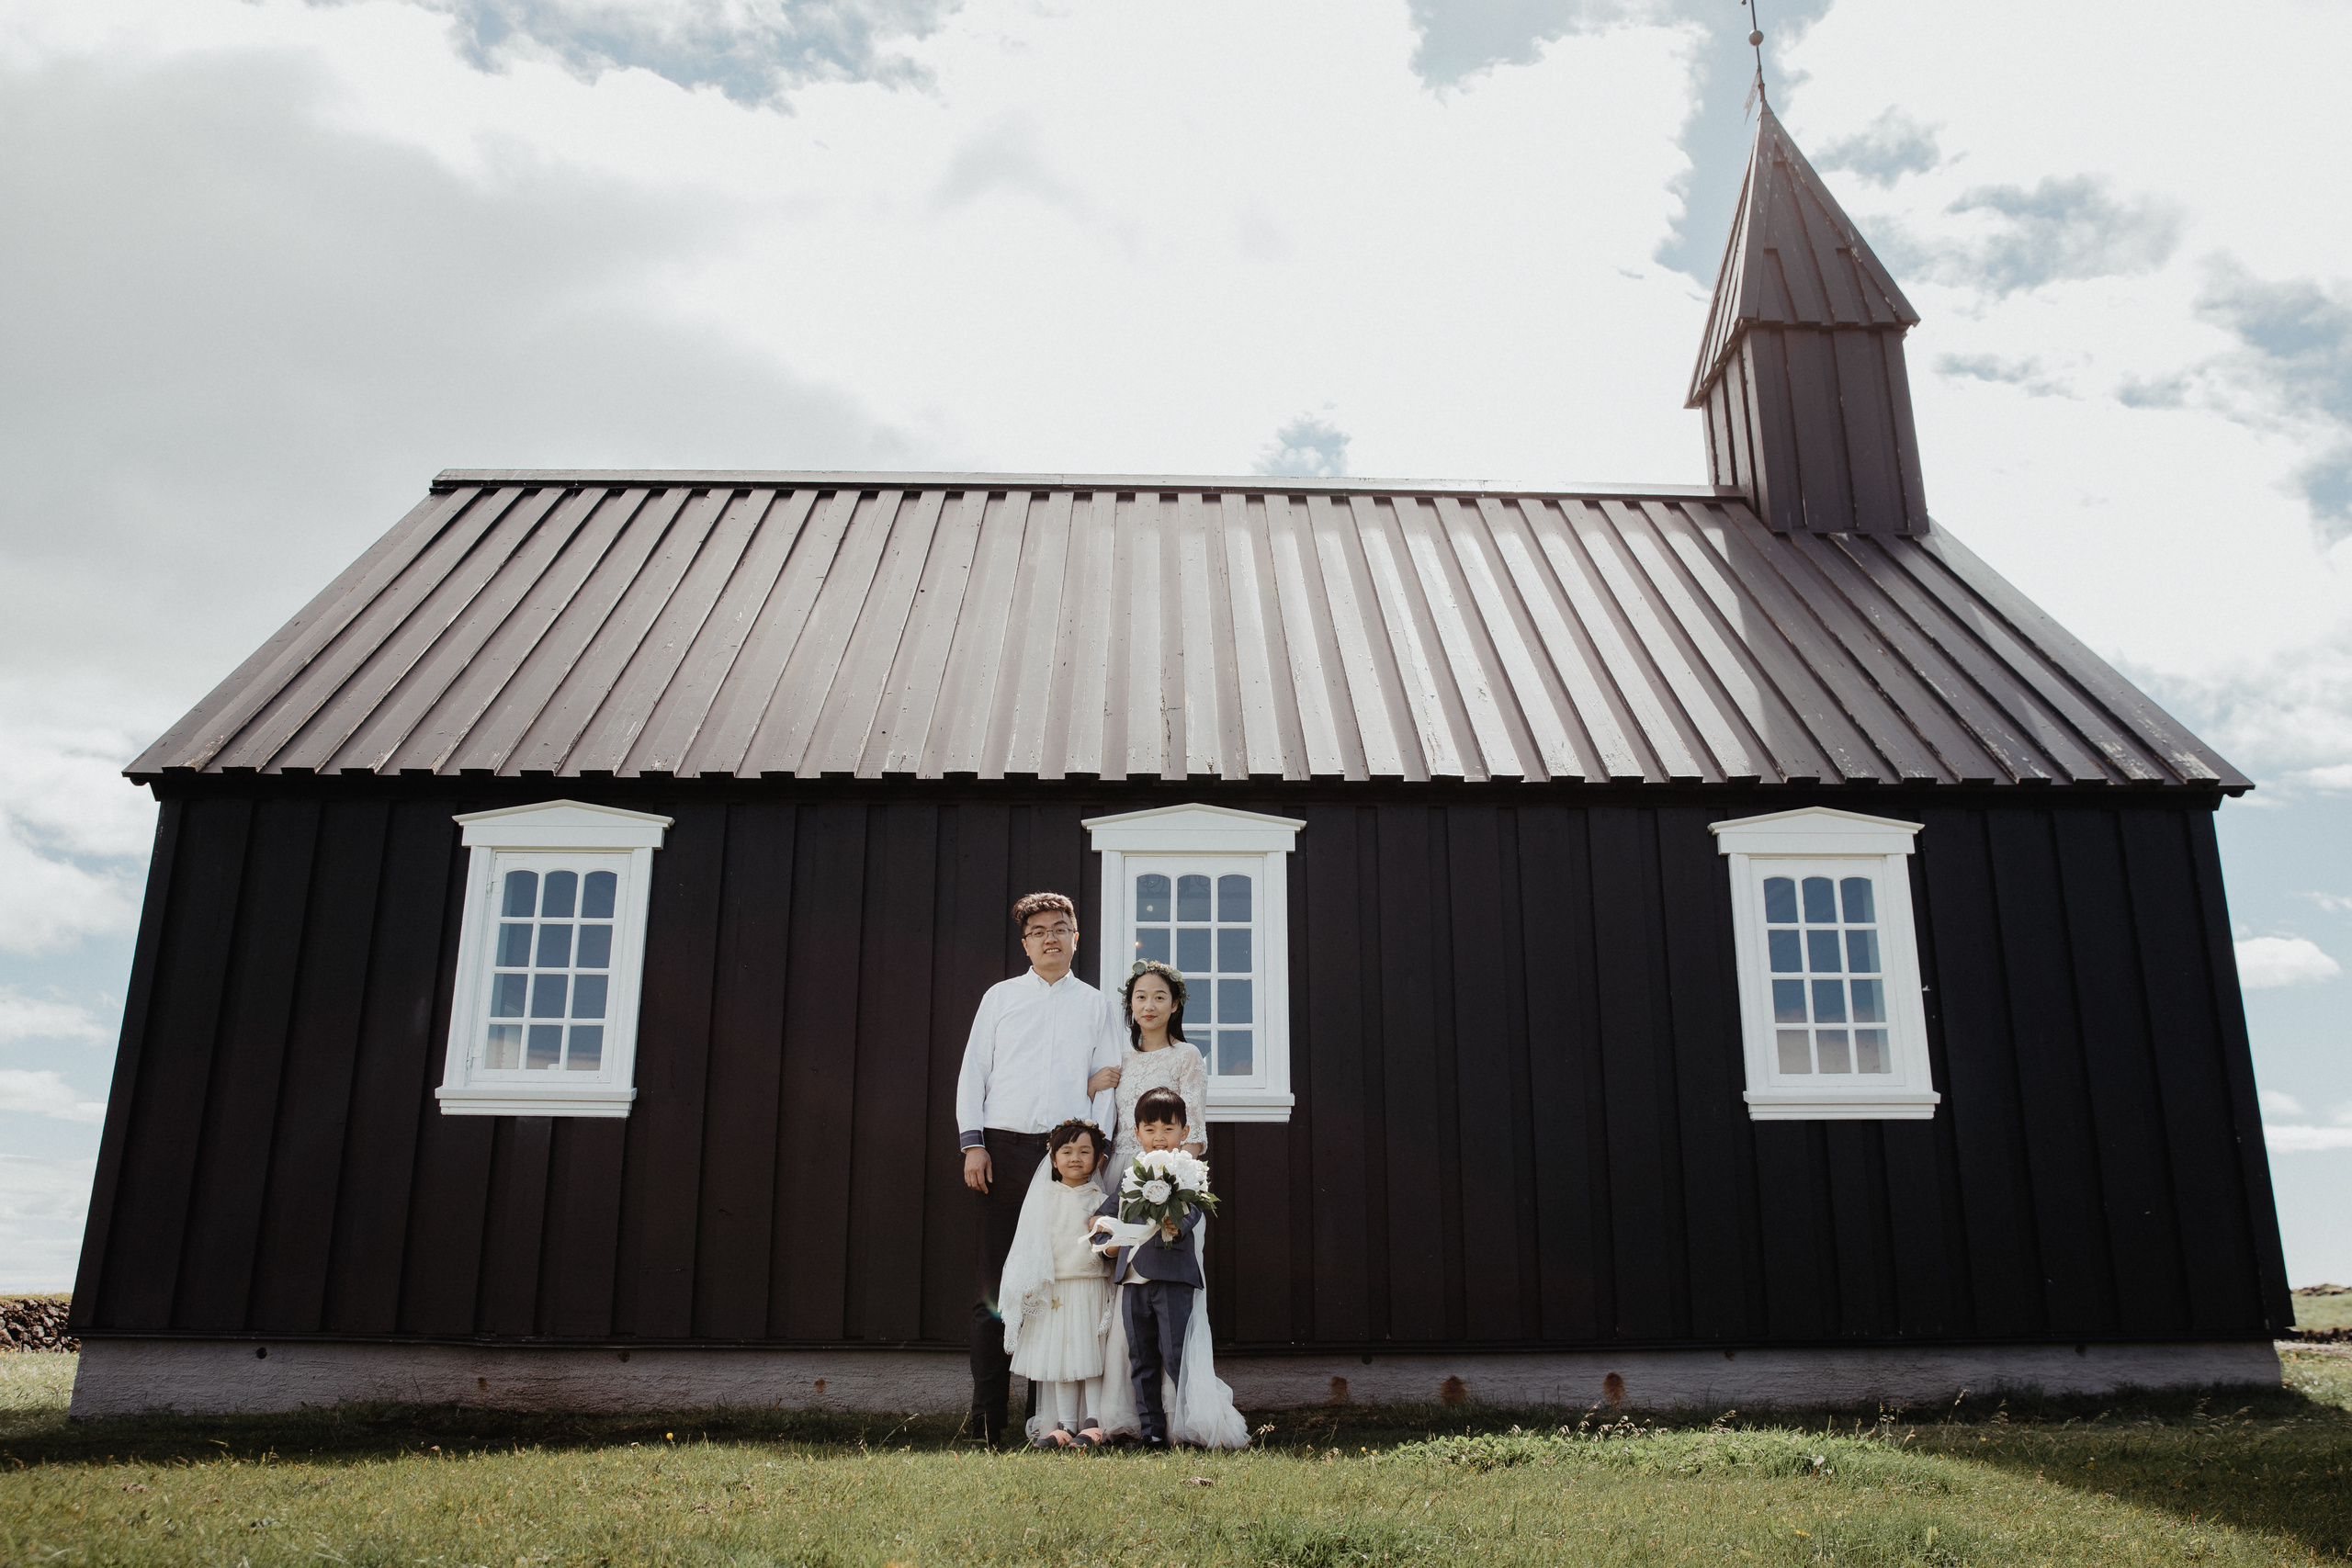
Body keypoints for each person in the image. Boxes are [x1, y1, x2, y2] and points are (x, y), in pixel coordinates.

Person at [955, 891, 1124, 1444]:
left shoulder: (1094, 1005)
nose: (1050, 938)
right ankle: (985, 1422)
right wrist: (974, 1144)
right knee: (997, 1286)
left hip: (1064, 1160)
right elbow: (974, 1072)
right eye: (1038, 931)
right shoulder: (1000, 998)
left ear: (1076, 937)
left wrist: (1094, 1156)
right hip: (1002, 1153)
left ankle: (1044, 1421)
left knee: (1054, 1284)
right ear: (1025, 943)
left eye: (1060, 928)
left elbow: (1107, 1081)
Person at [1089, 1088, 1248, 1450]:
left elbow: (1194, 1210)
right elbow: (1104, 1216)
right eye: (1150, 1129)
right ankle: (1152, 1431)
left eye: (1168, 1128)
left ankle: (1189, 1426)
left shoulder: (1189, 1173)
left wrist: (1177, 1224)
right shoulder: (1131, 1175)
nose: (1159, 1137)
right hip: (1133, 1280)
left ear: (1184, 1132)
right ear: (1137, 1132)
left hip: (1173, 1277)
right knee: (1141, 1358)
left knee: (1176, 1355)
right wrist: (1105, 1240)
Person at [998, 1119, 1114, 1449]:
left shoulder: (1101, 1200)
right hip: (1056, 1289)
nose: (1075, 1158)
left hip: (1090, 1285)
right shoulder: (1044, 1198)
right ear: (1053, 1158)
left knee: (1091, 1354)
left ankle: (1094, 1421)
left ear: (1098, 1159)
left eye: (1085, 1151)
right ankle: (1065, 1423)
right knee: (1063, 1355)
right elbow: (1030, 1242)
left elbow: (1108, 1244)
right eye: (1067, 1151)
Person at [1106, 960, 1207, 1179]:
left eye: (1159, 998)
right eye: (1141, 997)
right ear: (1131, 1003)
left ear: (1174, 1004)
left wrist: (1175, 1181)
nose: (1149, 1006)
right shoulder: (1120, 1059)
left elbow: (1194, 1133)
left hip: (1164, 1168)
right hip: (1118, 1168)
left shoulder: (1187, 1055)